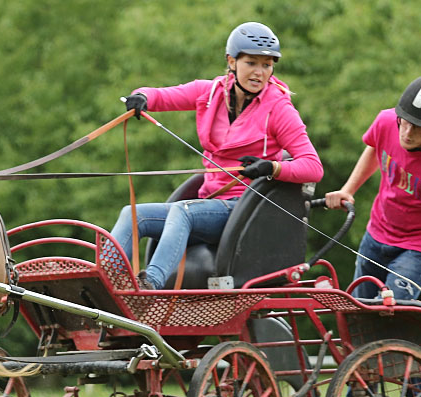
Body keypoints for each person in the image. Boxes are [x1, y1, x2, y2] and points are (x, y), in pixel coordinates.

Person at [110, 22, 323, 290]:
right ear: (232, 61)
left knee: (182, 212)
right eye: (251, 63)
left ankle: (149, 285)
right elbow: (164, 96)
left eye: (267, 65)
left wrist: (271, 167)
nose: (259, 73)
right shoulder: (210, 93)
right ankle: (105, 283)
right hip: (207, 203)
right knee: (133, 214)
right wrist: (141, 97)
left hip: (244, 210)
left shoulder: (279, 108)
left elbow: (313, 166)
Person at [325, 75, 421, 320]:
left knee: (390, 313)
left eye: (418, 127)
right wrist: (348, 189)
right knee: (358, 312)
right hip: (377, 232)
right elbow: (374, 147)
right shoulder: (386, 121)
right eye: (404, 122)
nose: (407, 132)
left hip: (419, 247)